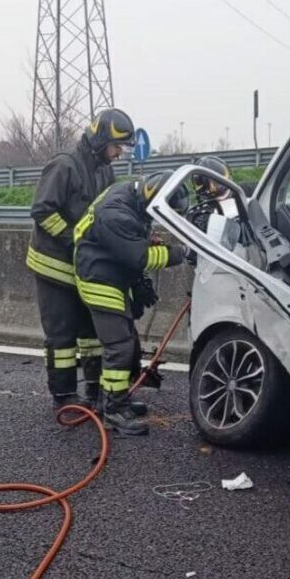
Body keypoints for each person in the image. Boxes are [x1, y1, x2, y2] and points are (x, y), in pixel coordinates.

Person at [27, 108, 135, 414]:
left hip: (84, 267)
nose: (118, 154)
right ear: (101, 140)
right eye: (116, 147)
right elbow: (42, 211)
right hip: (54, 265)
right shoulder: (64, 165)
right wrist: (76, 239)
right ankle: (64, 395)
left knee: (92, 333)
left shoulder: (104, 170)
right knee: (62, 335)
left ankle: (95, 390)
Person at [73, 171, 190, 435]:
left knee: (127, 341)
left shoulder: (129, 195)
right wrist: (182, 253)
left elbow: (129, 239)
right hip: (99, 277)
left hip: (108, 269)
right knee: (120, 346)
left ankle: (112, 400)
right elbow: (140, 258)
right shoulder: (116, 214)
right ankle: (114, 411)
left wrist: (145, 241)